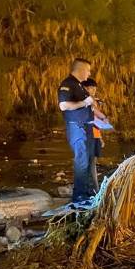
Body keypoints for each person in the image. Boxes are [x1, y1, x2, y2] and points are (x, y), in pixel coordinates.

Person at [58, 58, 96, 206]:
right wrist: (84, 102)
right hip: (77, 128)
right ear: (80, 70)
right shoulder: (68, 84)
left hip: (84, 127)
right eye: (88, 70)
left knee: (86, 160)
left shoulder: (78, 85)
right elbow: (63, 105)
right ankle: (80, 197)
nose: (89, 73)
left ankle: (87, 193)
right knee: (81, 161)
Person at [81, 78, 111, 193]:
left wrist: (100, 138)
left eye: (94, 88)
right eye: (91, 88)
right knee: (87, 162)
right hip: (87, 135)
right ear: (85, 89)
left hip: (95, 135)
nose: (93, 90)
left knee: (92, 162)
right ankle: (92, 188)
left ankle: (94, 187)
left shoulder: (95, 102)